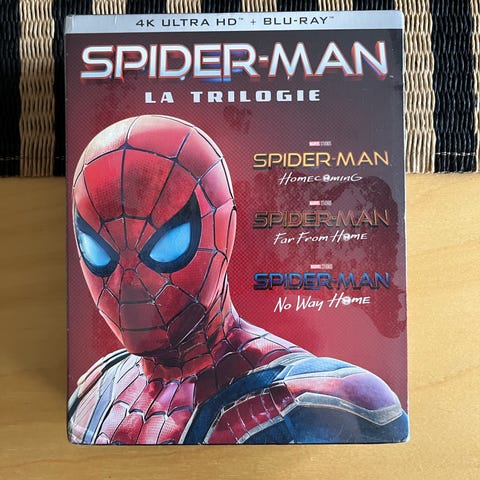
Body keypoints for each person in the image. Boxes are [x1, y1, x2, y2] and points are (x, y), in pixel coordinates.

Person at [68, 115, 408, 444]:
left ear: (225, 231)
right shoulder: (95, 390)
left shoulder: (315, 400)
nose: (127, 283)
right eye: (99, 252)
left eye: (167, 244)